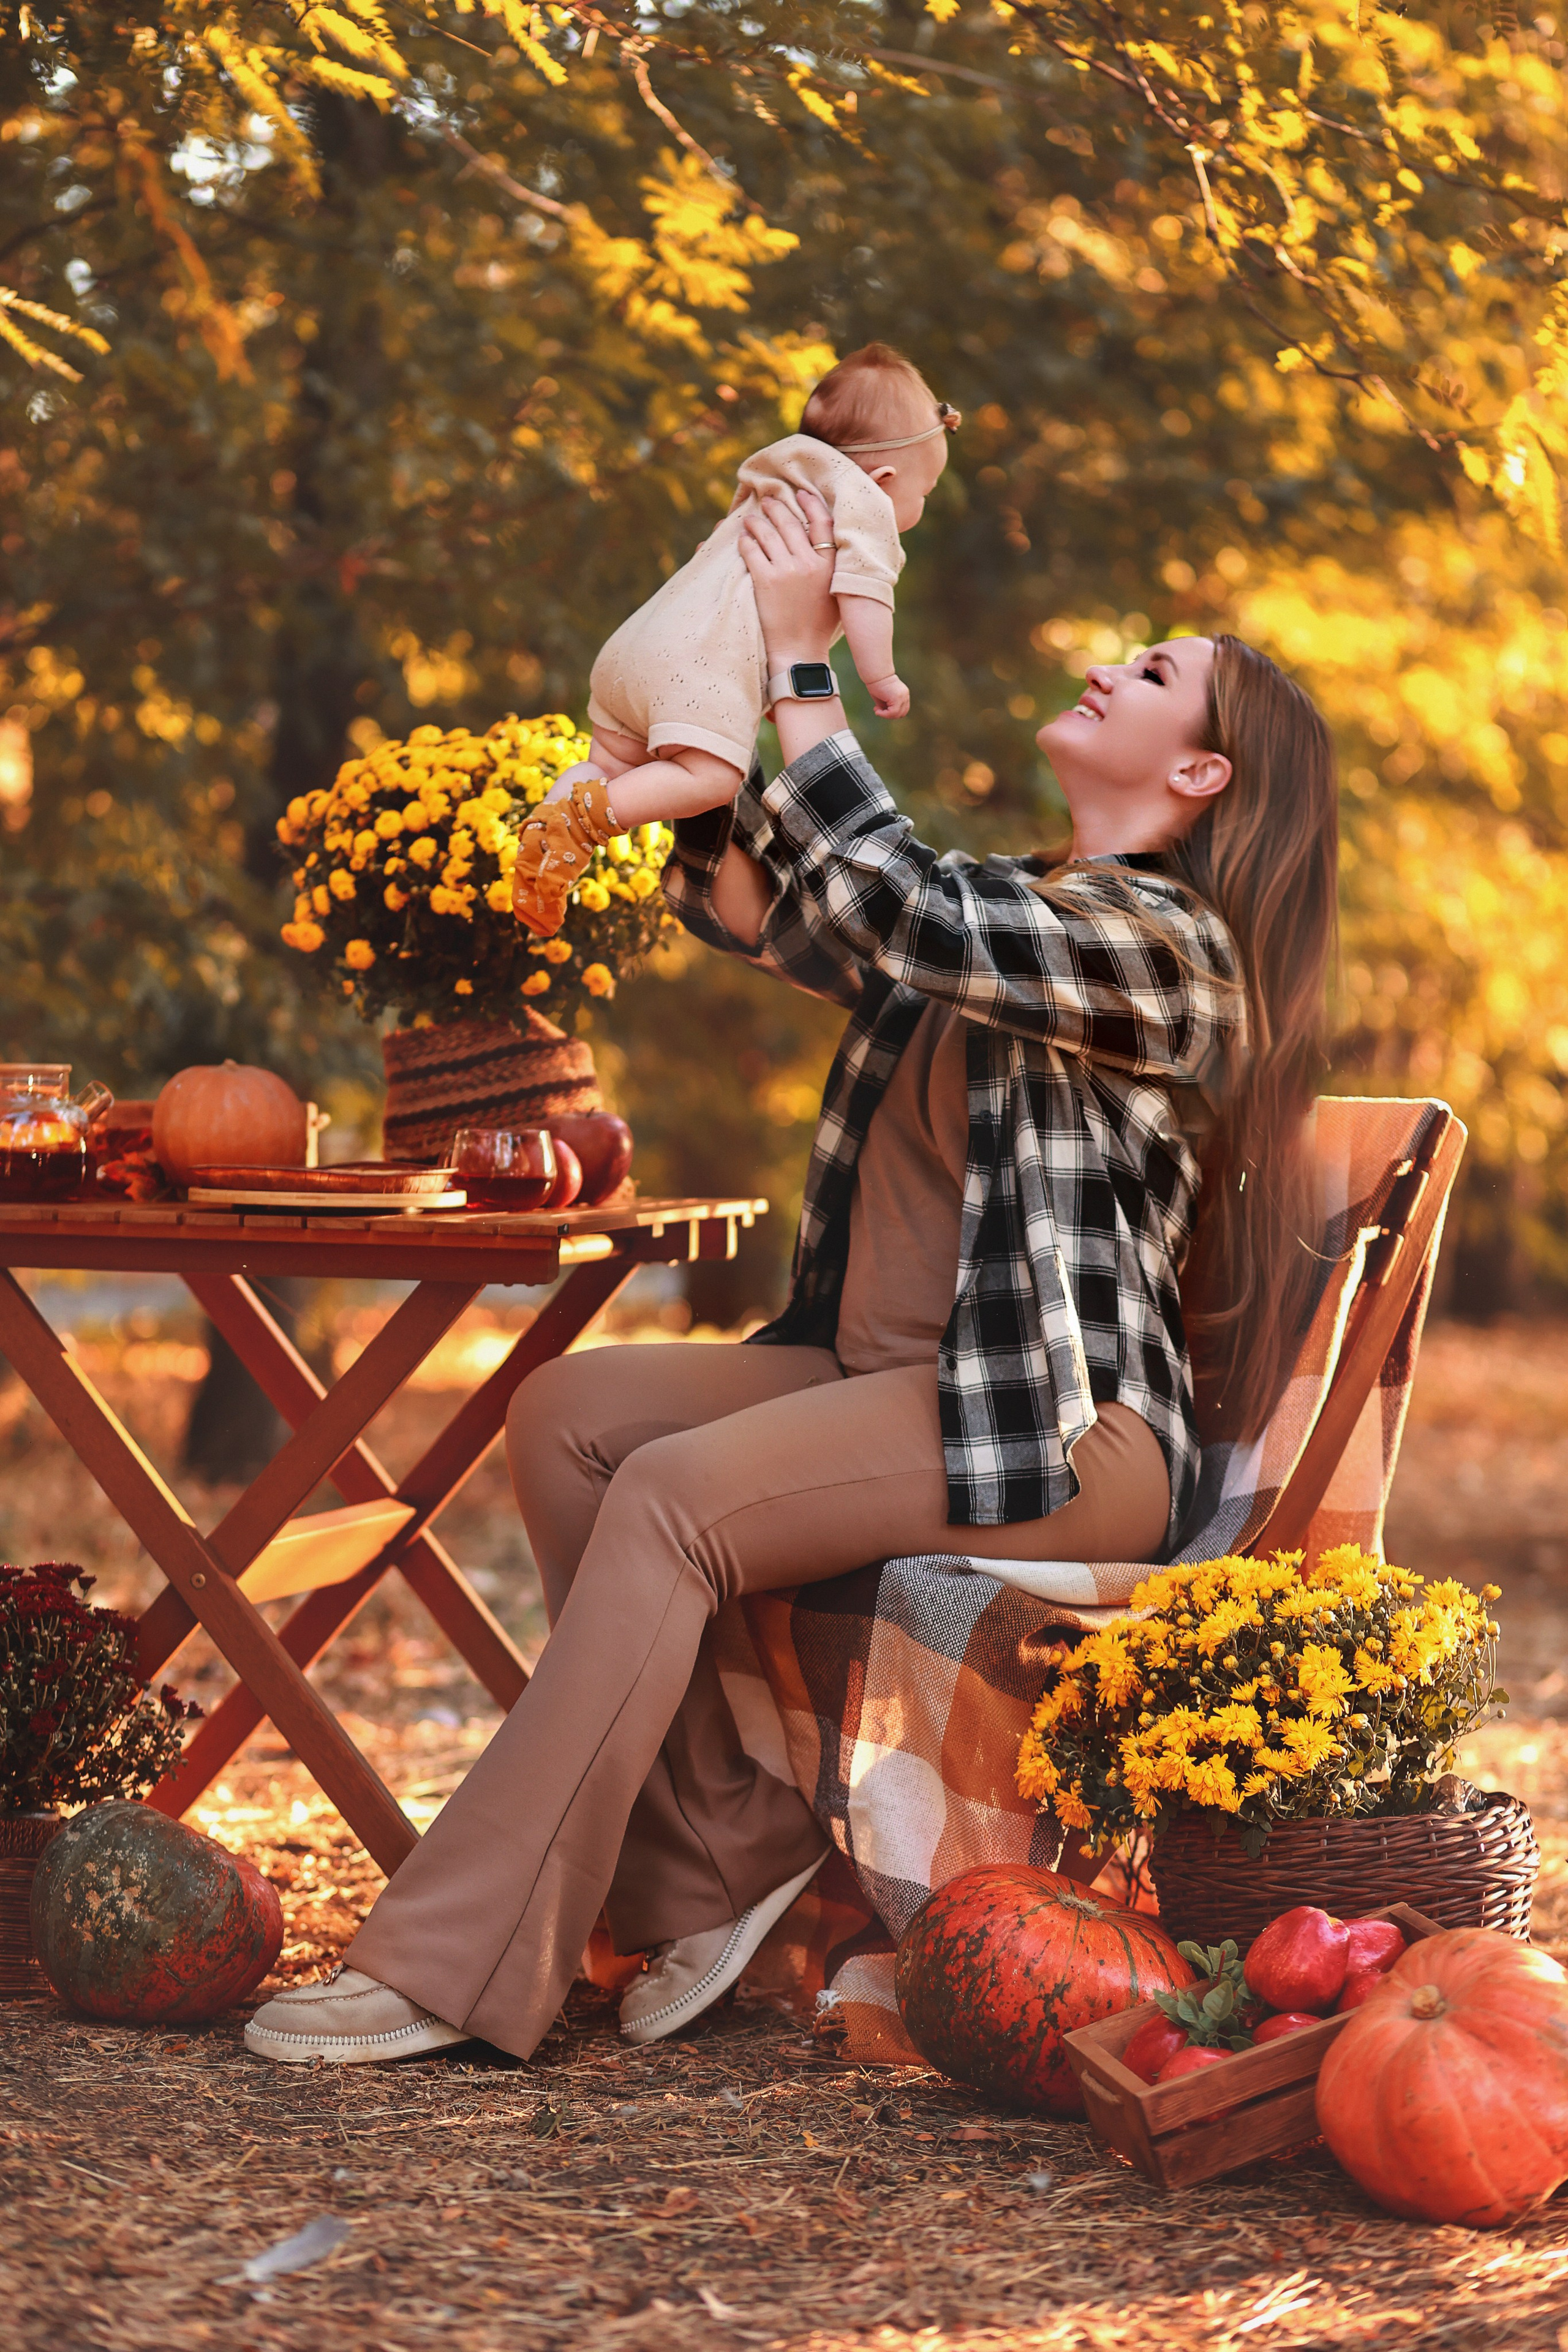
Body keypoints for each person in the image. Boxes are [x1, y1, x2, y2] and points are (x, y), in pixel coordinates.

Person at [244, 484, 1338, 2071]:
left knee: (673, 1496)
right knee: (568, 1417)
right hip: (908, 1383)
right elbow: (799, 918)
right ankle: (712, 1861)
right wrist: (694, 752)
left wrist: (806, 674)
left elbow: (895, 900)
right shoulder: (1021, 908)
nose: (1109, 667)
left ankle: (453, 1964)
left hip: (1060, 1431)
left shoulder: (1169, 948)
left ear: (1200, 774)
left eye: (1154, 673)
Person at [510, 344, 959, 937]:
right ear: (884, 480)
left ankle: (548, 840)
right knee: (713, 779)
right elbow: (865, 596)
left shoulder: (777, 471)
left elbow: (728, 566)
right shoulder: (863, 503)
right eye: (925, 493)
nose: (919, 507)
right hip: (694, 667)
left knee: (606, 765)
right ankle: (585, 822)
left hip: (637, 642)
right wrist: (882, 676)